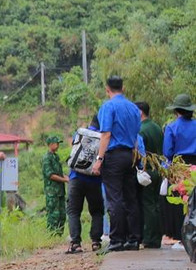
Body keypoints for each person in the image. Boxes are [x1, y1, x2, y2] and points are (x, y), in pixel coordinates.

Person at [92, 75, 142, 252]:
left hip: (114, 156)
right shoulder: (134, 108)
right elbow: (136, 136)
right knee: (131, 197)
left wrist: (99, 159)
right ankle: (133, 239)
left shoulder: (108, 107)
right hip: (130, 155)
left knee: (115, 198)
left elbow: (106, 134)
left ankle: (116, 240)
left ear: (107, 89)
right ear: (123, 87)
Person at [65, 117, 104, 253]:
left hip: (76, 178)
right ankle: (96, 242)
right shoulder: (103, 137)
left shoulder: (80, 132)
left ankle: (76, 243)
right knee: (97, 211)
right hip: (94, 180)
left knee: (74, 211)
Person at [161, 93, 196, 242]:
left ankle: (180, 235)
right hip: (195, 165)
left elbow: (167, 152)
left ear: (177, 111)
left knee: (179, 199)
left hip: (179, 166)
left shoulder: (172, 127)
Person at [136, 101, 164, 248]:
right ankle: (157, 236)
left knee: (147, 204)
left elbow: (139, 153)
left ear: (140, 112)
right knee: (155, 204)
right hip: (159, 170)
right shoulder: (157, 127)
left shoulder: (140, 129)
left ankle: (149, 238)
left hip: (147, 172)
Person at [42, 134, 68, 236]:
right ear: (51, 144)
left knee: (62, 215)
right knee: (53, 215)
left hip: (60, 191)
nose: (58, 145)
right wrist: (64, 180)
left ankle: (59, 235)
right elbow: (50, 175)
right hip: (52, 192)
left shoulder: (55, 157)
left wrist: (65, 177)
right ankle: (52, 235)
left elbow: (59, 173)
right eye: (56, 143)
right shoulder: (46, 158)